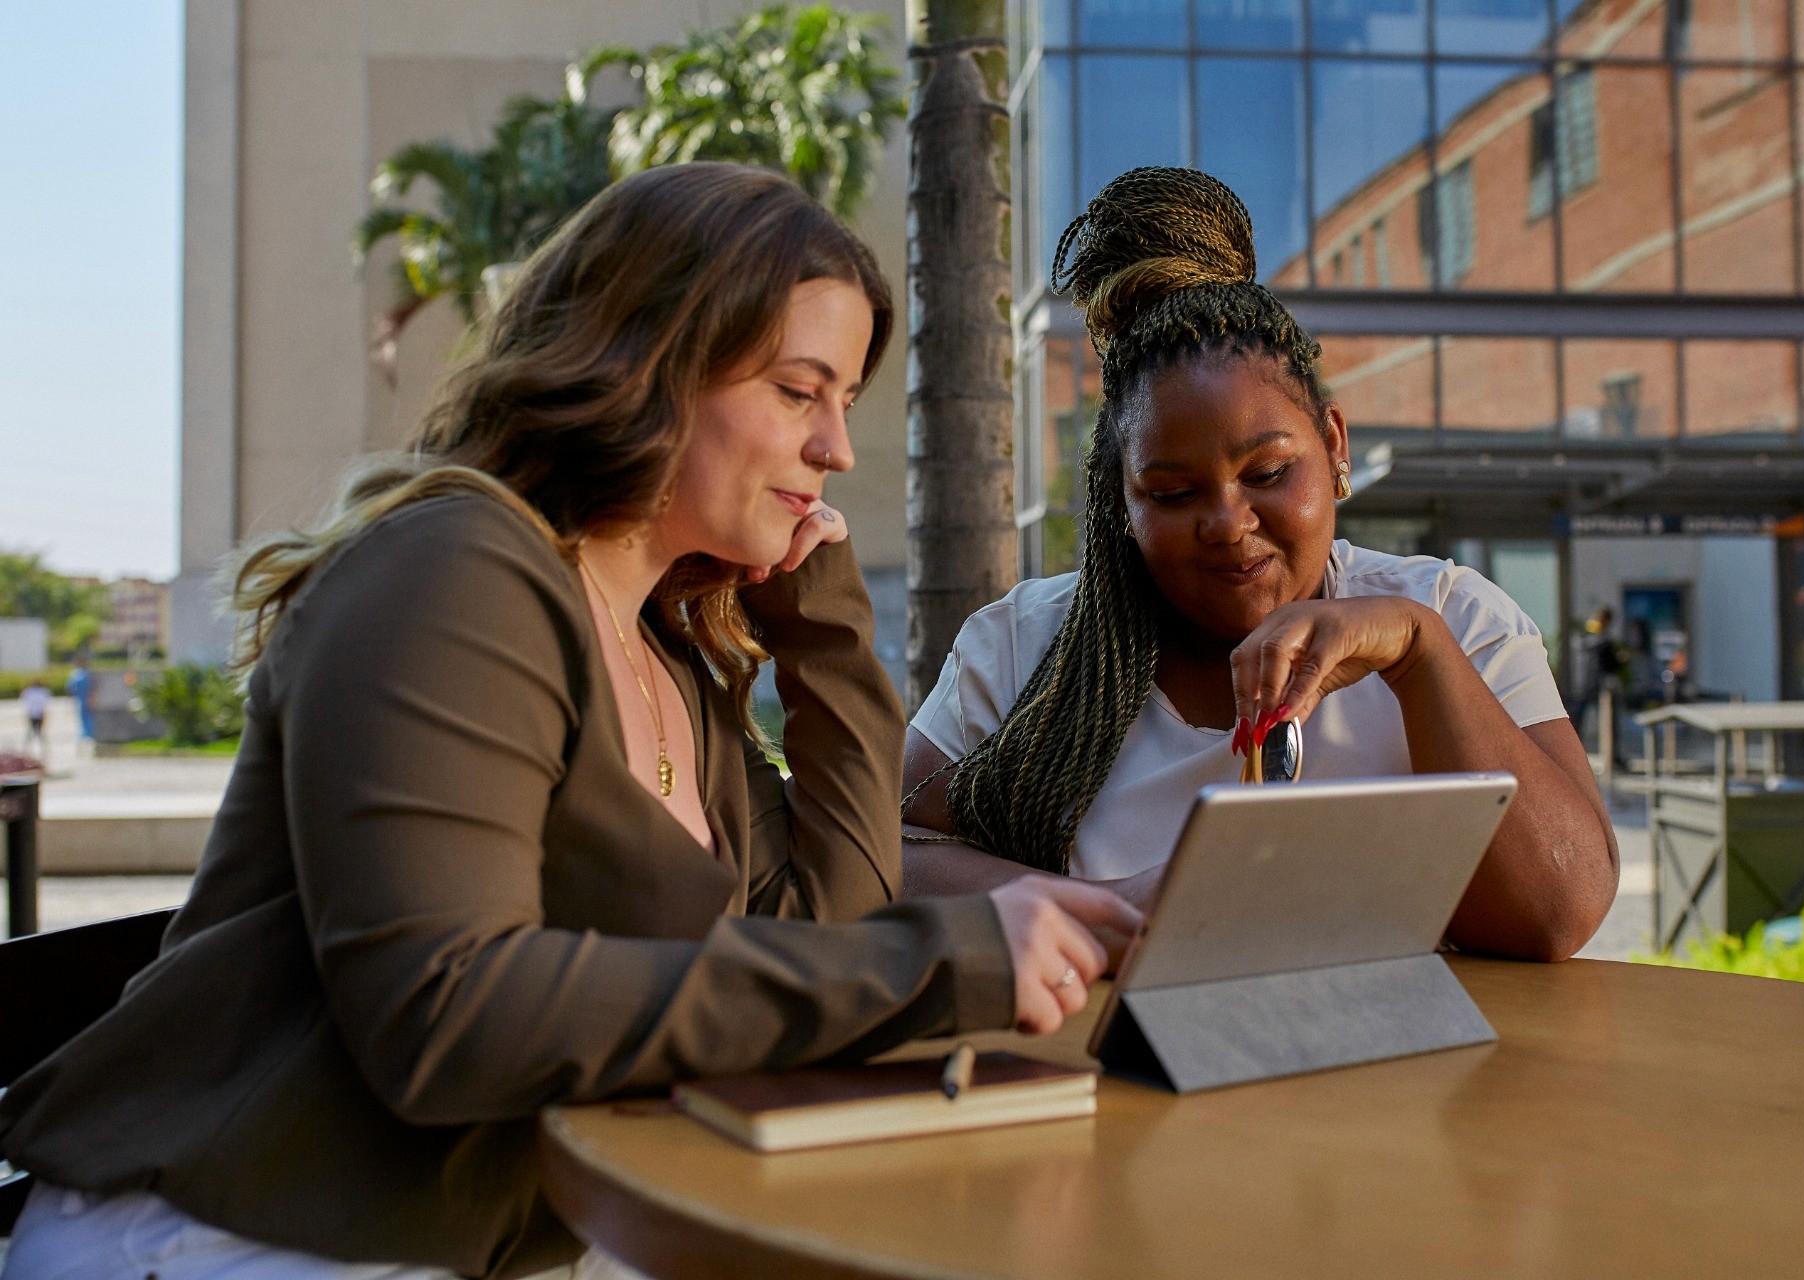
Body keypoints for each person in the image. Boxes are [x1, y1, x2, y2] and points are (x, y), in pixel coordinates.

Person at [0, 164, 1138, 1280]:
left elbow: (834, 921)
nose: (836, 448)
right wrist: (945, 960)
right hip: (225, 1237)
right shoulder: (454, 572)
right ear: (647, 360)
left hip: (461, 1241)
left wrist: (822, 623)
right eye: (799, 391)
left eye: (845, 403)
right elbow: (446, 1014)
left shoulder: (668, 660)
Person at [901, 168, 1617, 963]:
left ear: (1335, 446)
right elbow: (889, 856)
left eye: (1269, 474)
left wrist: (1420, 655)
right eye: (1171, 493)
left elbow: (1561, 911)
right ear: (1122, 502)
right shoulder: (1022, 645)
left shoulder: (1452, 615)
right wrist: (1108, 912)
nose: (1227, 523)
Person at [1567, 606, 1625, 757]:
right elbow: (1612, 664)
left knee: (1577, 723)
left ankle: (1573, 754)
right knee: (1609, 724)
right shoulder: (1605, 642)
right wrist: (1622, 659)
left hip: (1582, 685)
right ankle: (1612, 756)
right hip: (1600, 687)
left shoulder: (1580, 640)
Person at [62, 657, 93, 744]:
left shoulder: (76, 675)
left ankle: (84, 736)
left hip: (81, 700)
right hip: (85, 700)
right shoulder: (86, 674)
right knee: (87, 718)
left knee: (84, 718)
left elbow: (70, 689)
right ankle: (87, 735)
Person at [19, 676, 51, 758]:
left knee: (37, 733)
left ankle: (41, 750)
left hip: (35, 714)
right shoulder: (41, 691)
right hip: (36, 714)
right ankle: (28, 750)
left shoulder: (33, 691)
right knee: (34, 733)